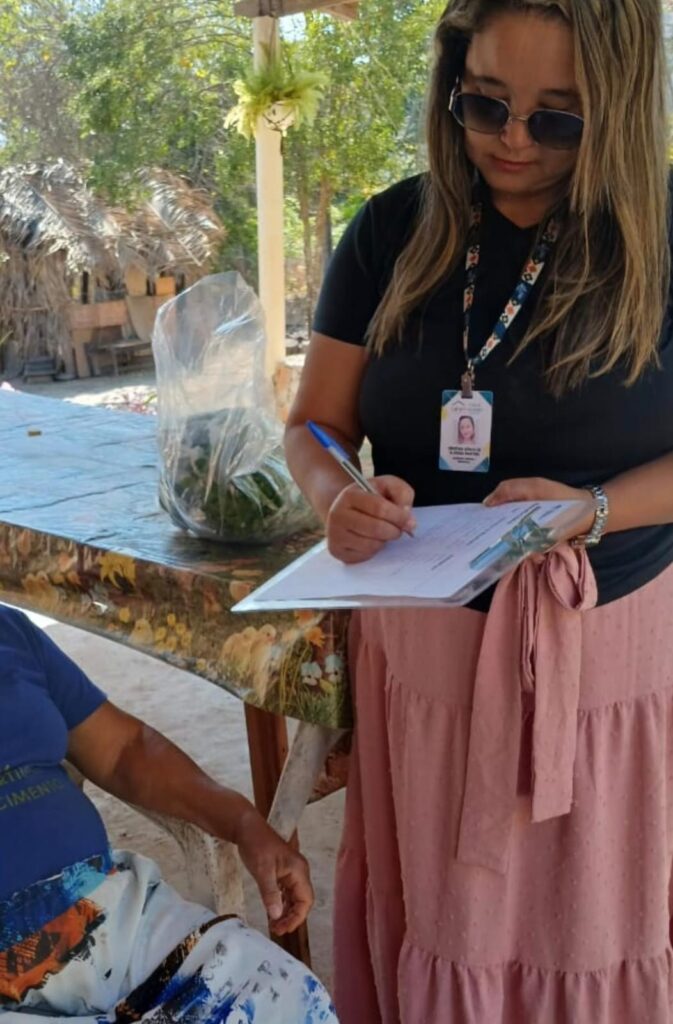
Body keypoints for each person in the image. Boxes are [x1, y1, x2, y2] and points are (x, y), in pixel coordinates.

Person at [284, 0, 673, 1021]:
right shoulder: (390, 231)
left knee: (591, 920)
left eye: (557, 118)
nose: (512, 140)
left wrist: (593, 508)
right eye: (485, 103)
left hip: (606, 654)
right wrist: (337, 492)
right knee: (443, 917)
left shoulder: (661, 237)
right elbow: (315, 425)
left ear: (620, 106)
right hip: (426, 657)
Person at [0, 604, 337, 1024]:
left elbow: (124, 751)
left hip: (109, 915)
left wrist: (242, 822)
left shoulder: (9, 631)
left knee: (286, 998)